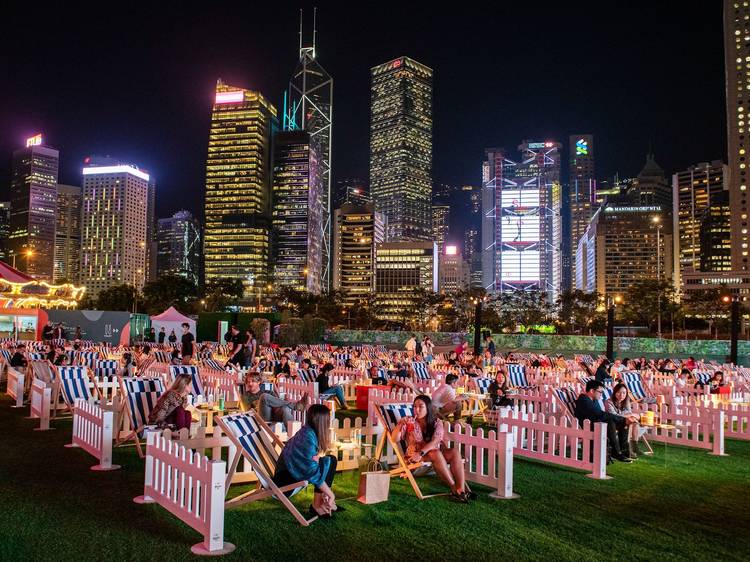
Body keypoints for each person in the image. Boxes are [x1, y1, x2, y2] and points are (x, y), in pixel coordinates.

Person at [393, 395, 474, 503]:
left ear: (428, 408)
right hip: (414, 459)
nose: (416, 409)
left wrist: (421, 453)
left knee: (454, 452)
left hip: (434, 457)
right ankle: (454, 488)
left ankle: (461, 490)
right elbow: (394, 439)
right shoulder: (410, 422)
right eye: (414, 406)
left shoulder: (436, 422)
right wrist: (401, 423)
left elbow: (435, 441)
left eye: (420, 406)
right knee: (435, 453)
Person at [273, 404, 340, 517]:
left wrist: (317, 461)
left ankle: (320, 503)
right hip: (284, 483)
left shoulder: (307, 431)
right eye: (328, 420)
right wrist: (330, 493)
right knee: (326, 462)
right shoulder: (307, 438)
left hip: (289, 473)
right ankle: (318, 505)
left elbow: (307, 462)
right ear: (323, 422)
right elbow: (311, 472)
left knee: (329, 460)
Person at [575, 380, 633, 463]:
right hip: (589, 426)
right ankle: (617, 452)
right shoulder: (584, 400)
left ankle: (623, 452)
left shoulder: (592, 400)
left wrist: (623, 421)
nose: (601, 394)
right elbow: (600, 414)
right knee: (613, 422)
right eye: (600, 392)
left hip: (596, 423)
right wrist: (622, 419)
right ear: (592, 391)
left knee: (621, 424)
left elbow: (601, 415)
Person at [242, 372, 309, 423]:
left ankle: (293, 435)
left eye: (253, 381)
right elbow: (248, 413)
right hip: (260, 419)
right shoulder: (245, 396)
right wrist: (259, 404)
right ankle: (295, 406)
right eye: (248, 382)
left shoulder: (269, 392)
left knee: (284, 408)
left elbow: (278, 404)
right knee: (264, 396)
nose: (250, 384)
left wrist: (281, 400)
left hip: (274, 416)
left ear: (259, 382)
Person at [605, 382, 642, 458]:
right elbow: (615, 416)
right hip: (613, 424)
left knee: (635, 422)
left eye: (624, 393)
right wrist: (632, 415)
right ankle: (627, 449)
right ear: (615, 392)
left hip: (624, 421)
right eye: (619, 392)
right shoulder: (608, 402)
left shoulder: (626, 401)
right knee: (631, 420)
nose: (621, 395)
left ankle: (635, 446)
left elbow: (629, 413)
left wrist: (631, 416)